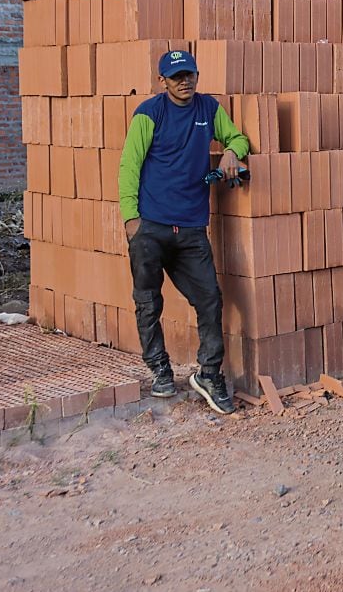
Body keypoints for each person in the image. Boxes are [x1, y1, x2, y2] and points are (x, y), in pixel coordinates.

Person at [119, 50, 250, 414]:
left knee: (209, 299)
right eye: (176, 76)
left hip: (191, 227)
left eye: (189, 74)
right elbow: (130, 164)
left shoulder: (208, 109)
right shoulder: (150, 112)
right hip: (152, 225)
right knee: (148, 301)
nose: (184, 81)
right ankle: (160, 370)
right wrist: (132, 219)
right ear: (162, 81)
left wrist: (230, 153)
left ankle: (209, 373)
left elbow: (238, 138)